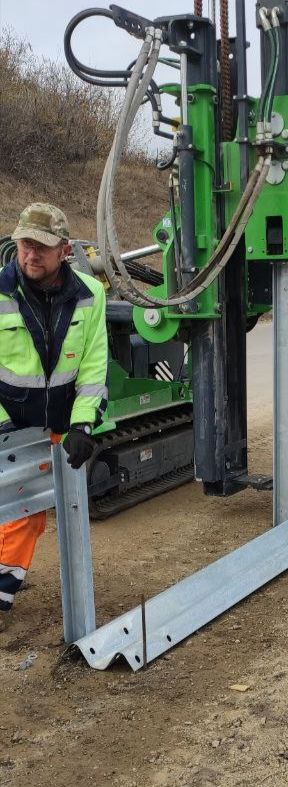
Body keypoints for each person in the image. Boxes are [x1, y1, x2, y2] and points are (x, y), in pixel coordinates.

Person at [0, 203, 108, 625]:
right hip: (8, 423)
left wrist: (83, 424)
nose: (31, 255)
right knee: (17, 508)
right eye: (25, 244)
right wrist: (6, 428)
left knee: (29, 512)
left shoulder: (90, 295)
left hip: (60, 422)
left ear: (64, 249)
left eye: (42, 247)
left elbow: (93, 368)